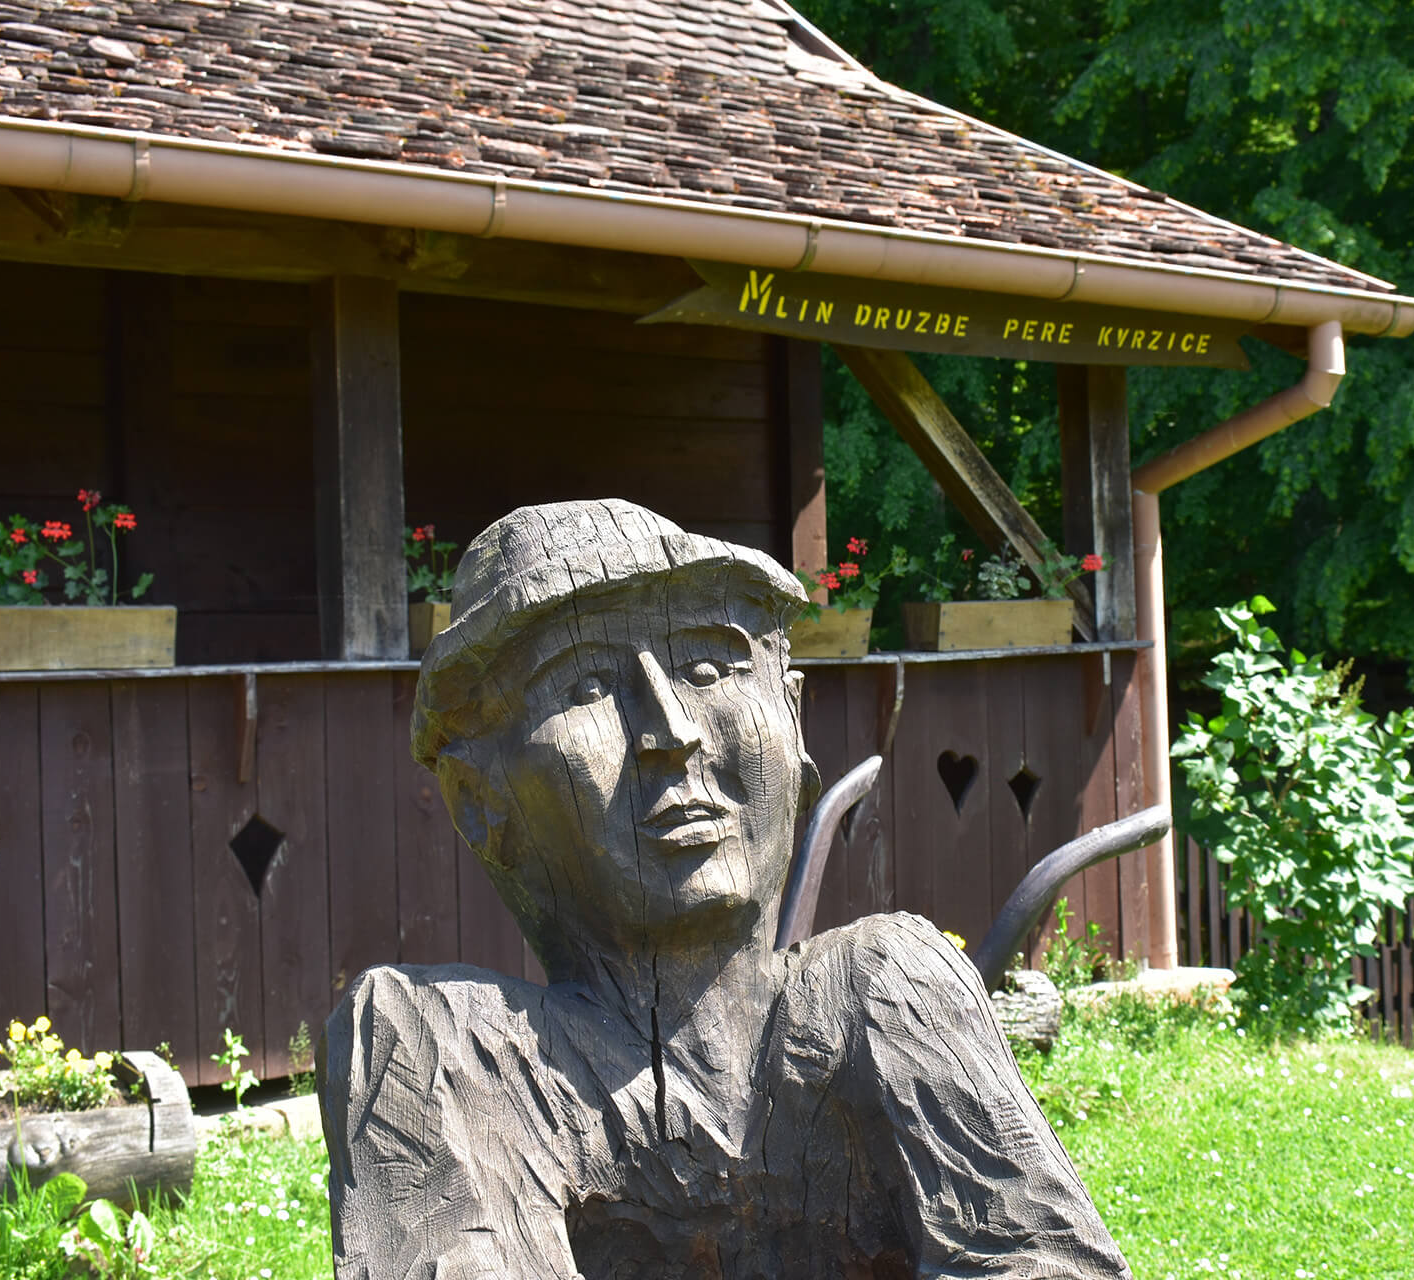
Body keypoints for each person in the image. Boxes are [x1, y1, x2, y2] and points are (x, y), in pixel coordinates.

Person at [321, 499, 1132, 1280]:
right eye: (586, 688)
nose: (672, 732)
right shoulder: (440, 1054)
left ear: (793, 717)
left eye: (709, 668)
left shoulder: (888, 990)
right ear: (477, 797)